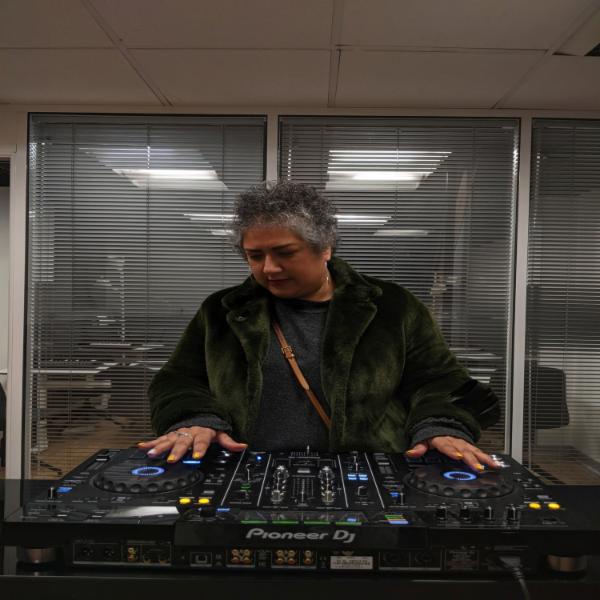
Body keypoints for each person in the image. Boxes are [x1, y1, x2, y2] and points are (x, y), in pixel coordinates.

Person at [140, 181, 500, 472]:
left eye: (284, 253)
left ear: (324, 248)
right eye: (255, 256)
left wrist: (441, 426)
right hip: (241, 474)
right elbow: (178, 380)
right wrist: (195, 418)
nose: (269, 268)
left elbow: (440, 382)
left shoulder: (392, 307)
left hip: (367, 475)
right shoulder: (222, 311)